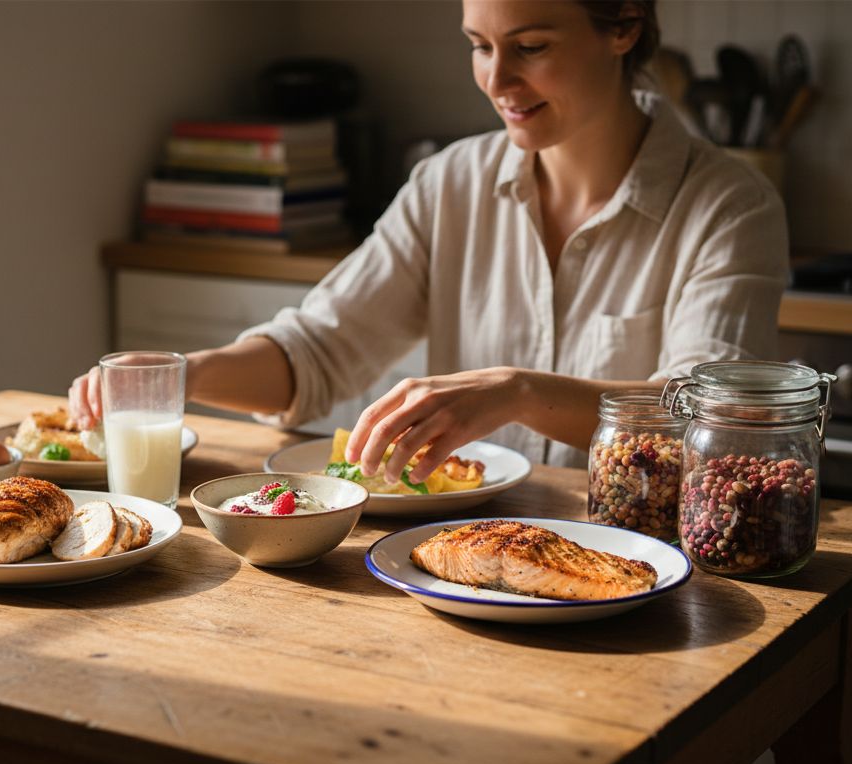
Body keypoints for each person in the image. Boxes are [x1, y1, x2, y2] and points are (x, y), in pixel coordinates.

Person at [70, 0, 787, 483]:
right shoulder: (449, 183)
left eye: (531, 47)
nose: (497, 80)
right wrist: (179, 376)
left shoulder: (731, 206)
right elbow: (318, 351)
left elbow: (709, 418)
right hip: (463, 554)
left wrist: (518, 393)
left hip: (645, 561)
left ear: (624, 26)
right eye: (479, 46)